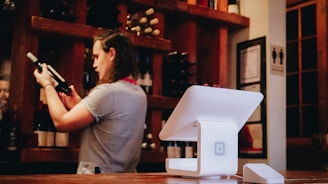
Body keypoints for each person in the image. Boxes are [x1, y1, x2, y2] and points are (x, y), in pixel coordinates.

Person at [33, 29, 147, 173]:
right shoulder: (139, 94)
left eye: (97, 57)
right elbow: (109, 127)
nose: (94, 65)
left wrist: (47, 84)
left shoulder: (107, 92)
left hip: (96, 180)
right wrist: (81, 105)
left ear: (111, 54)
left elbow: (61, 122)